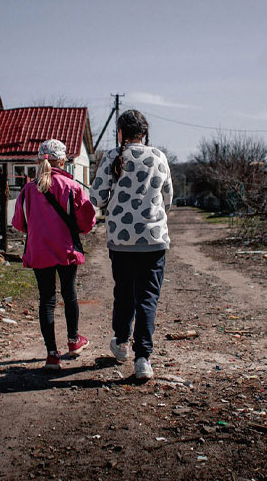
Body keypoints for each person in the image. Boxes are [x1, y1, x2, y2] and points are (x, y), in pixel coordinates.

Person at [89, 110, 173, 380]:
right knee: (148, 297)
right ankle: (143, 359)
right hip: (154, 240)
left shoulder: (114, 157)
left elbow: (97, 198)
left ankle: (122, 342)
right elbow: (168, 197)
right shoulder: (158, 156)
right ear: (144, 133)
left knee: (124, 292)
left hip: (121, 241)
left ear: (120, 132)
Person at [12, 139, 96, 370]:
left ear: (40, 160)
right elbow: (87, 221)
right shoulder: (73, 187)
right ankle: (73, 341)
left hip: (39, 251)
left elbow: (20, 222)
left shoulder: (29, 189)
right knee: (69, 293)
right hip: (66, 249)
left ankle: (51, 354)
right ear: (63, 160)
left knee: (46, 300)